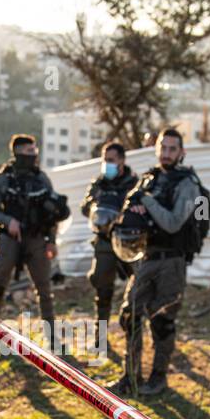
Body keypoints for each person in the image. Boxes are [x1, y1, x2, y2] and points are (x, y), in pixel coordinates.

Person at [108, 128, 202, 397]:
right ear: (157, 149)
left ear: (181, 152)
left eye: (173, 149)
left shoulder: (187, 184)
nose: (167, 154)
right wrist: (135, 206)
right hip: (146, 258)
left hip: (172, 261)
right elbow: (129, 205)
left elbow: (173, 223)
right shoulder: (149, 178)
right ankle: (131, 377)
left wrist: (146, 203)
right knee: (131, 314)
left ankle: (158, 378)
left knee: (162, 322)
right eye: (163, 148)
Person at [0, 134, 67, 335]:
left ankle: (51, 333)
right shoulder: (3, 179)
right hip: (10, 238)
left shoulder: (41, 178)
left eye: (35, 150)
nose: (34, 154)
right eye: (30, 151)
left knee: (44, 287)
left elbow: (53, 213)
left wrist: (52, 241)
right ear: (18, 152)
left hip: (37, 239)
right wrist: (8, 221)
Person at [80, 142, 139, 332]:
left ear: (122, 160)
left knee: (139, 284)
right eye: (105, 160)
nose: (107, 164)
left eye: (111, 160)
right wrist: (94, 207)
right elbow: (84, 207)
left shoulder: (134, 183)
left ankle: (134, 329)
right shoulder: (99, 183)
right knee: (102, 288)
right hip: (104, 241)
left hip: (128, 242)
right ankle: (100, 334)